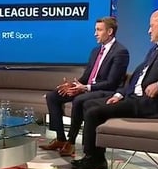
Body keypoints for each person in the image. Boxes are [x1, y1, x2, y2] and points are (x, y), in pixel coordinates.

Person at [71, 7, 158, 169]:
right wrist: (120, 94)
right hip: (135, 98)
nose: (149, 30)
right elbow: (138, 77)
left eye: (151, 26)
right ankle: (95, 156)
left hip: (151, 104)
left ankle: (93, 159)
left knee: (94, 111)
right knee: (89, 104)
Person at [40, 16, 129, 157]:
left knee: (79, 100)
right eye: (95, 30)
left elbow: (112, 82)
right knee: (53, 96)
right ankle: (60, 139)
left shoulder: (120, 52)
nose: (95, 33)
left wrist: (85, 88)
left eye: (99, 30)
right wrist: (73, 85)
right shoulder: (95, 51)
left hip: (105, 91)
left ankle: (71, 142)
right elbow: (87, 76)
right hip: (88, 88)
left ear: (110, 31)